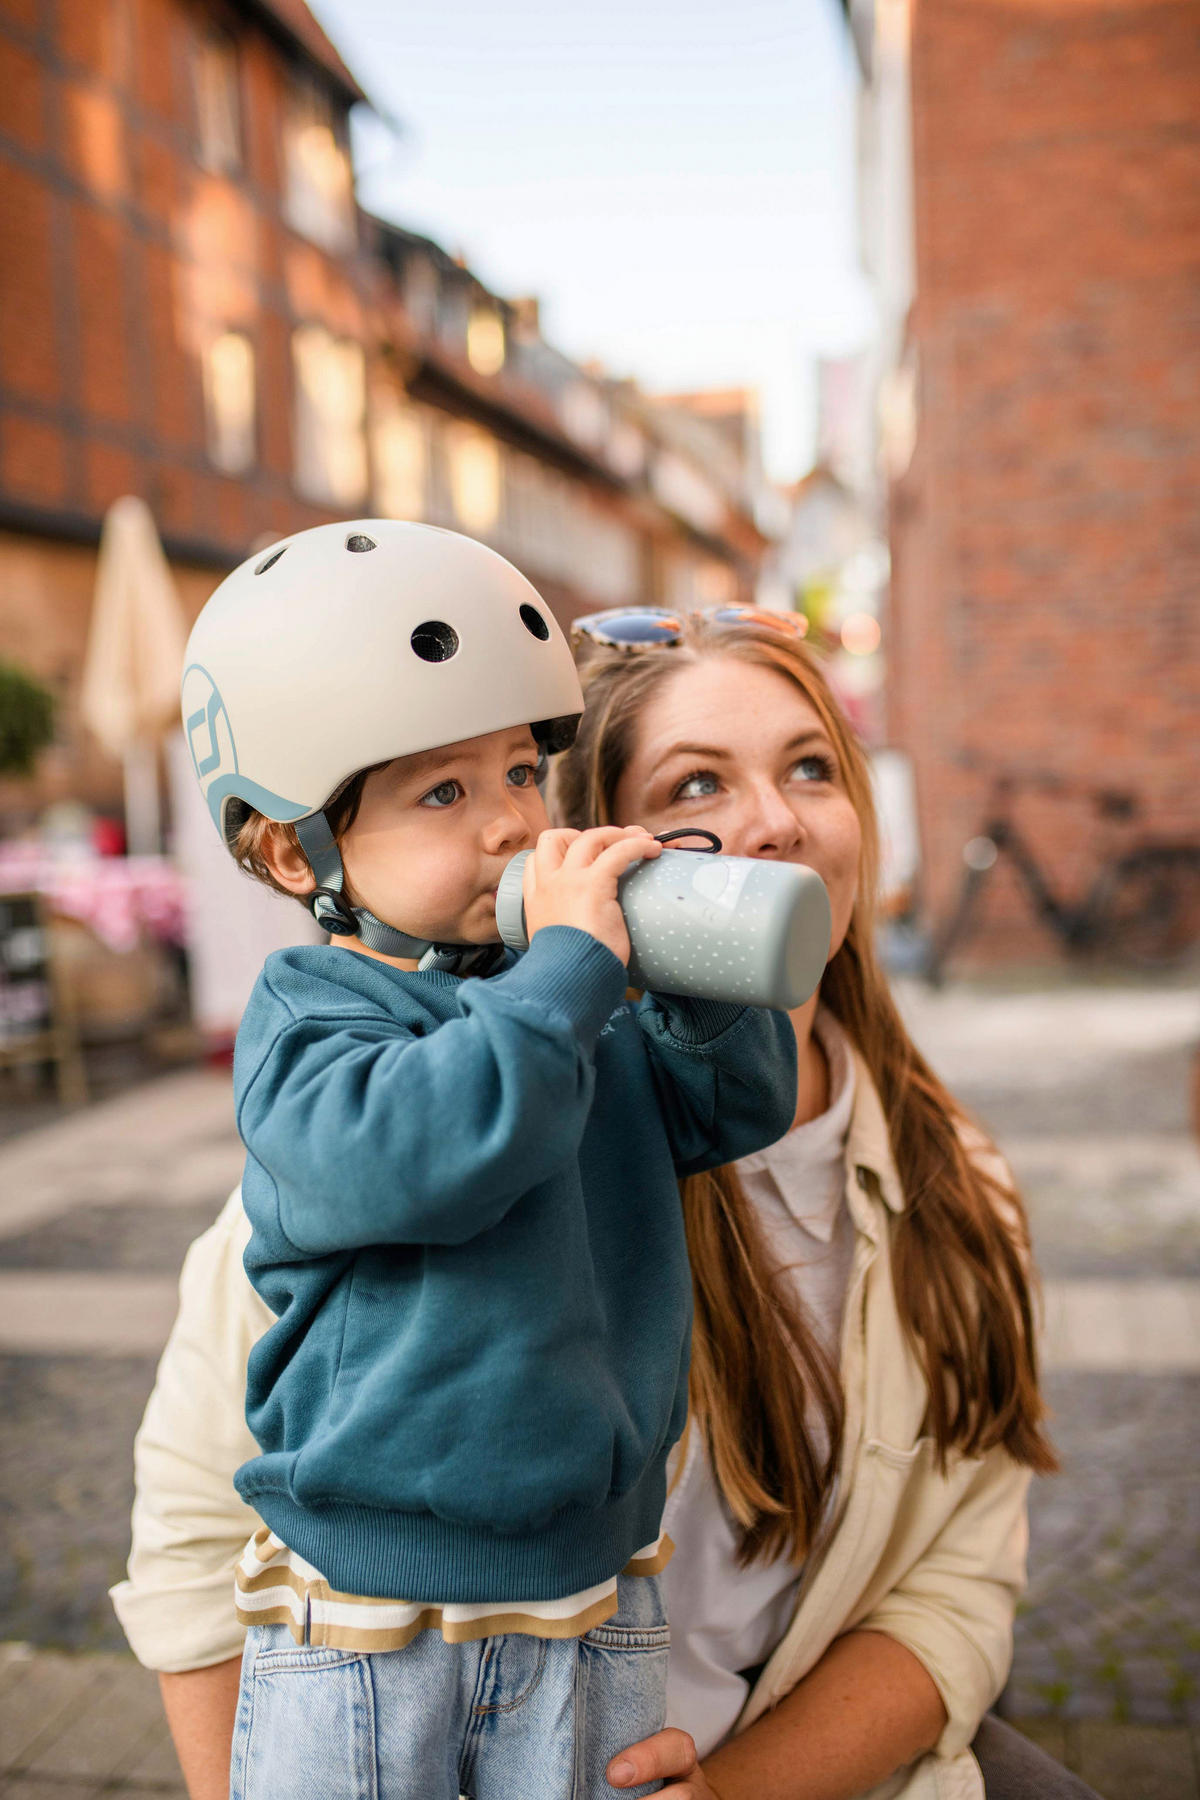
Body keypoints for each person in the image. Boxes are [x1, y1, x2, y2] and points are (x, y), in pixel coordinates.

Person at [113, 602, 1099, 1800]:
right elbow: (190, 1564)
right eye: (695, 789)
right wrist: (576, 970)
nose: (776, 823)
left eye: (809, 766)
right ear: (574, 852)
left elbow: (955, 1590)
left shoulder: (959, 1185)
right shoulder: (396, 1136)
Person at [166, 528, 798, 1800]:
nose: (516, 823)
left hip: (593, 1586)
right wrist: (571, 970)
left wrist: (693, 977)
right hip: (370, 1612)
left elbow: (739, 1107)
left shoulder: (569, 999)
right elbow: (437, 1150)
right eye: (444, 793)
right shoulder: (314, 1021)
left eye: (523, 771)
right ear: (297, 854)